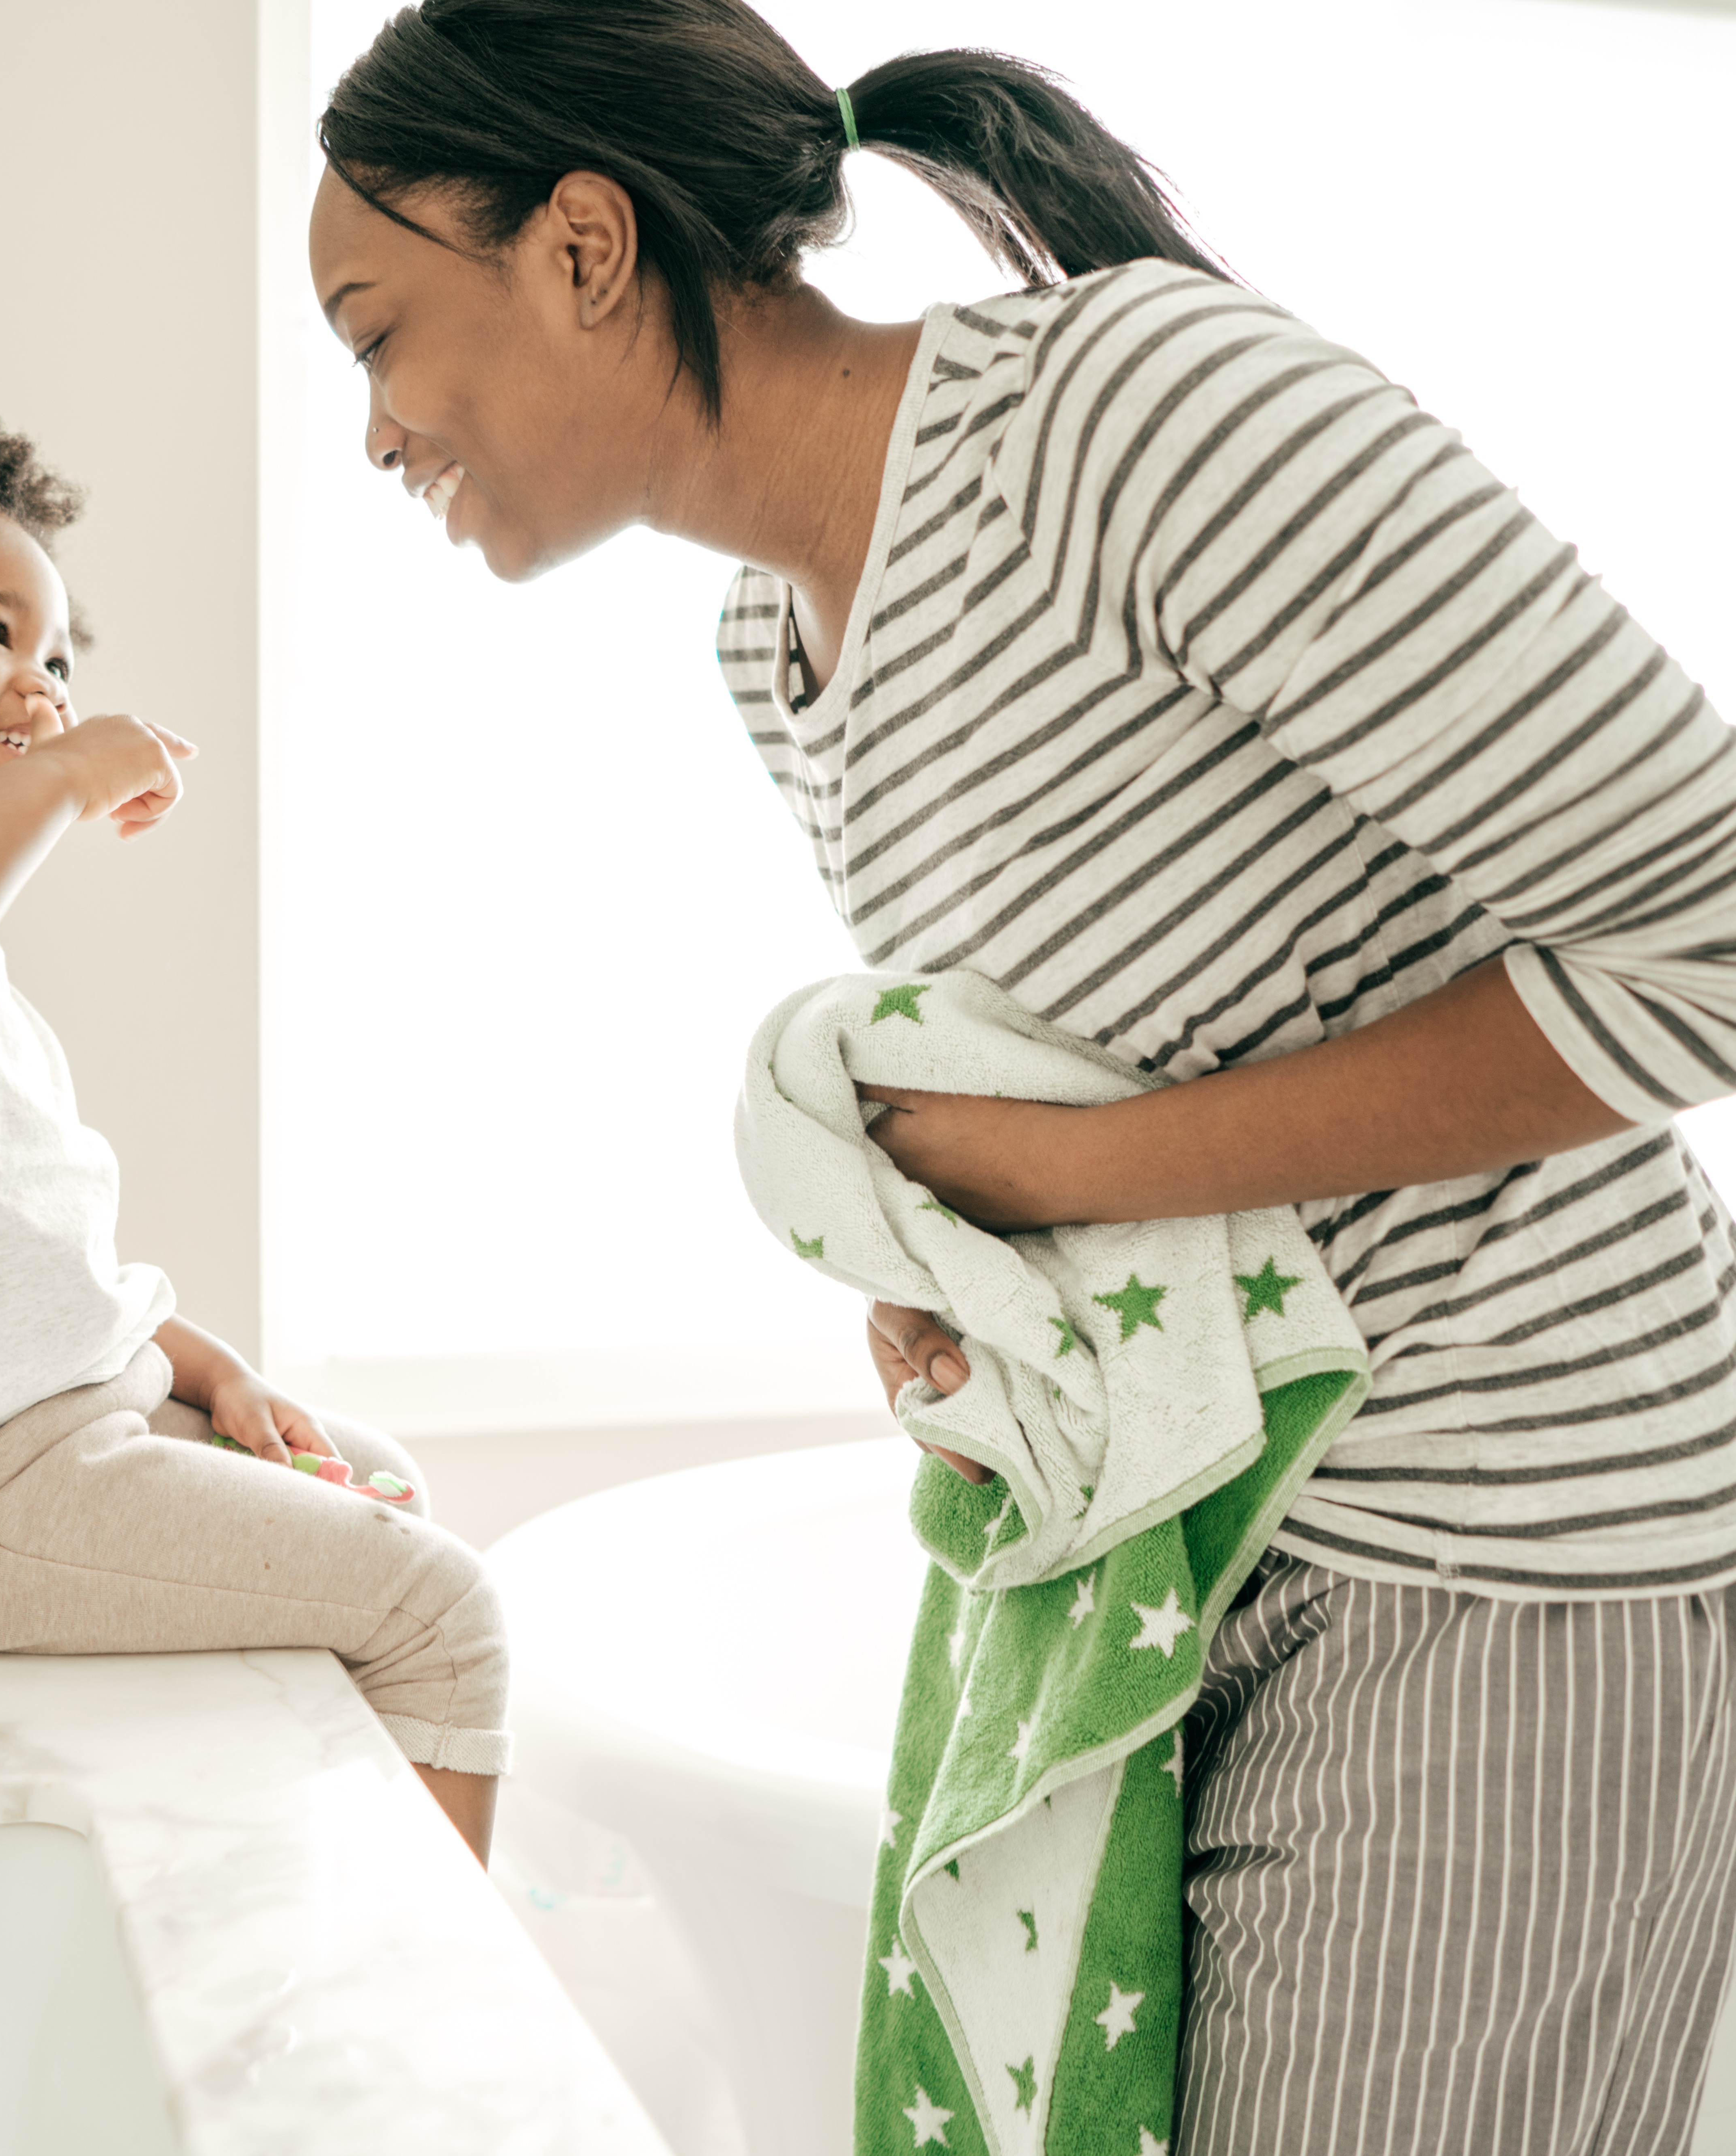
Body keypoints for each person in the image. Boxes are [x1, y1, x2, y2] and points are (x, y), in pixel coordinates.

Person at [306, 1, 1736, 2145]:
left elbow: (1700, 928)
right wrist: (980, 1265)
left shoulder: (1128, 414)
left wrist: (1082, 1178)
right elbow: (1158, 1061)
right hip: (1201, 1570)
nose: (375, 430)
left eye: (374, 329)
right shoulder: (772, 646)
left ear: (581, 247)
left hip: (1510, 1556)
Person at [0, 393, 507, 1863]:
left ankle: (312, 1864)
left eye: (59, 657)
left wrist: (212, 1367)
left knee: (369, 1478)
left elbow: (31, 1262)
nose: (42, 680)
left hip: (49, 1429)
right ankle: (436, 2001)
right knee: (443, 1607)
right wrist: (58, 779)